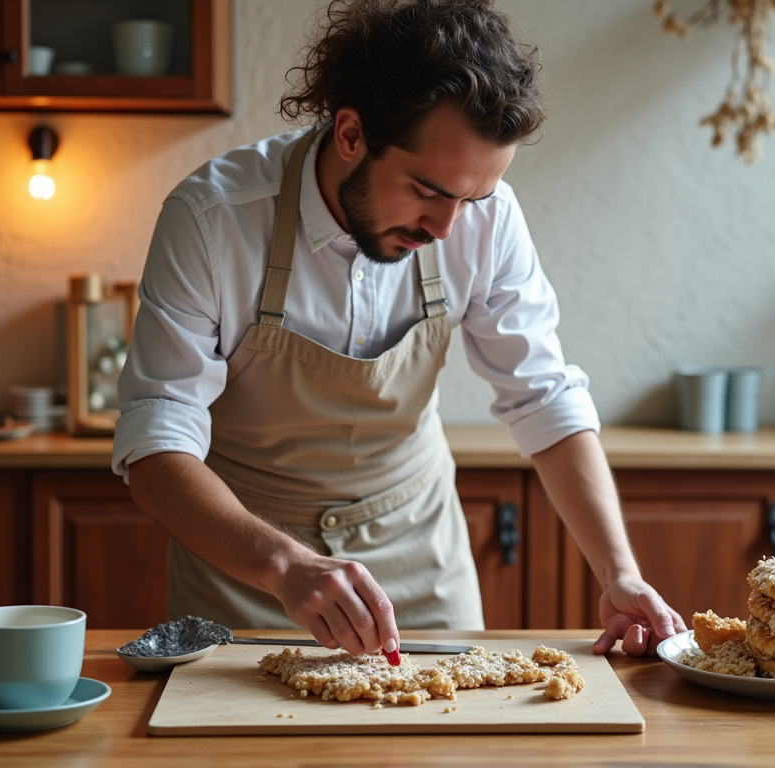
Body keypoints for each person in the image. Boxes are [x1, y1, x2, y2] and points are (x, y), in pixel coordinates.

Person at [112, 0, 686, 661]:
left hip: (422, 564)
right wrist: (283, 566)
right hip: (248, 570)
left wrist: (619, 572)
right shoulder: (213, 221)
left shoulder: (485, 219)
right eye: (427, 190)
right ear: (351, 134)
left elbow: (544, 396)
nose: (446, 227)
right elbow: (155, 447)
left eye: (471, 199)